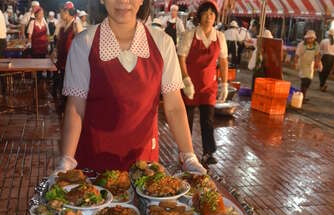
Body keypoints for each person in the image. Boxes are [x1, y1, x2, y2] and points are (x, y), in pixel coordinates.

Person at [57, 0, 205, 174]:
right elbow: (76, 108)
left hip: (145, 171)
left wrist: (189, 155)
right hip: (94, 168)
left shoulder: (162, 43)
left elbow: (174, 107)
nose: (123, 1)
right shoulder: (84, 43)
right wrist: (66, 159)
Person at [178, 0, 228, 166]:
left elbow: (223, 62)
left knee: (208, 120)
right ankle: (186, 152)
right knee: (188, 119)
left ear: (215, 17)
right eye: (205, 13)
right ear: (199, 16)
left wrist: (225, 84)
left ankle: (208, 152)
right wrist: (185, 80)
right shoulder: (190, 35)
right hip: (190, 85)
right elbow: (181, 58)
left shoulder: (220, 37)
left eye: (212, 14)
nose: (209, 17)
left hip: (209, 86)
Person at [52, 1, 83, 111]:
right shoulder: (62, 24)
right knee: (62, 82)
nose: (60, 14)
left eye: (62, 12)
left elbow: (81, 42)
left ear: (67, 12)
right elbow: (58, 39)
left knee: (69, 84)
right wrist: (55, 50)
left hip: (71, 61)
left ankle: (68, 107)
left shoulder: (76, 23)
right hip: (62, 59)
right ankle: (63, 104)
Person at [294, 30, 321, 102]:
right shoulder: (301, 45)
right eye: (309, 38)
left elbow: (317, 55)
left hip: (310, 65)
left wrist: (317, 63)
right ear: (306, 38)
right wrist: (295, 62)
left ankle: (302, 95)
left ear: (314, 38)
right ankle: (302, 97)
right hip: (302, 64)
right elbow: (297, 54)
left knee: (309, 80)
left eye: (312, 38)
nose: (310, 40)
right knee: (304, 81)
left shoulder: (316, 45)